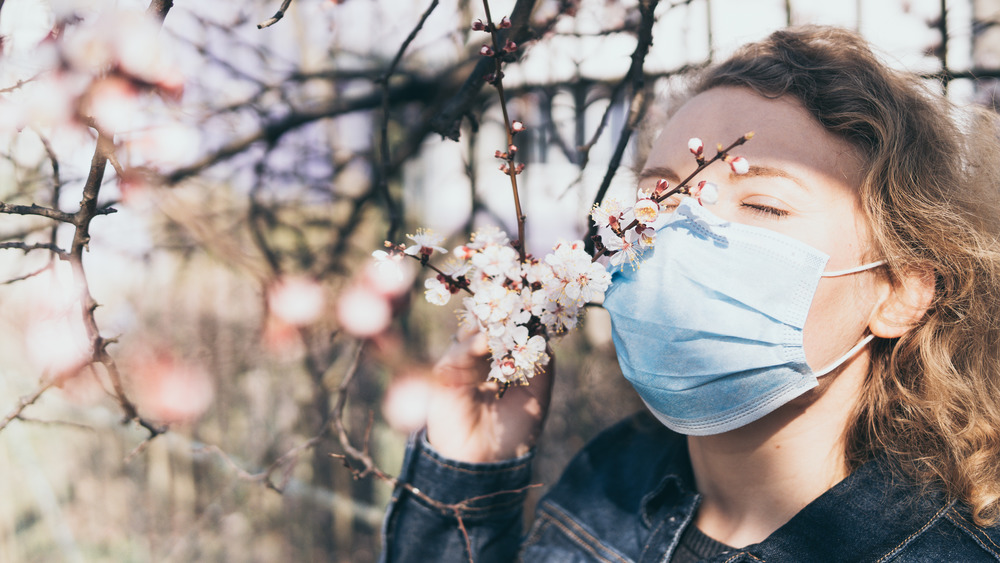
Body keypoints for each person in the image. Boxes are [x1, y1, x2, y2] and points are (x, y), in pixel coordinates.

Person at [380, 25, 1000, 562]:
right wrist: (468, 472)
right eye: (657, 199)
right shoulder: (609, 482)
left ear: (901, 291)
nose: (677, 235)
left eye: (761, 204)